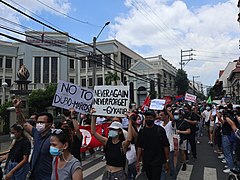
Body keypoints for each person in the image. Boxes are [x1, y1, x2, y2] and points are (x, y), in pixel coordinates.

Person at [13, 98, 53, 180]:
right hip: (34, 175)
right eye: (38, 122)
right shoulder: (36, 133)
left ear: (49, 124)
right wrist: (17, 108)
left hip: (48, 176)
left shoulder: (54, 138)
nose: (39, 124)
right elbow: (23, 123)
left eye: (42, 122)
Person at [91, 110, 133, 180]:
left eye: (114, 129)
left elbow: (129, 139)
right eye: (111, 129)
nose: (111, 131)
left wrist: (130, 120)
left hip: (118, 174)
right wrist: (93, 117)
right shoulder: (106, 141)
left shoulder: (122, 145)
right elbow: (93, 132)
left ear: (120, 132)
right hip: (107, 173)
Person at [136, 110, 170, 180]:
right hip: (146, 160)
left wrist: (166, 161)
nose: (148, 119)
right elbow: (139, 146)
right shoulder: (142, 131)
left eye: (150, 118)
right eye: (147, 118)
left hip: (158, 160)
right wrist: (138, 161)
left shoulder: (160, 130)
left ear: (154, 119)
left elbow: (166, 146)